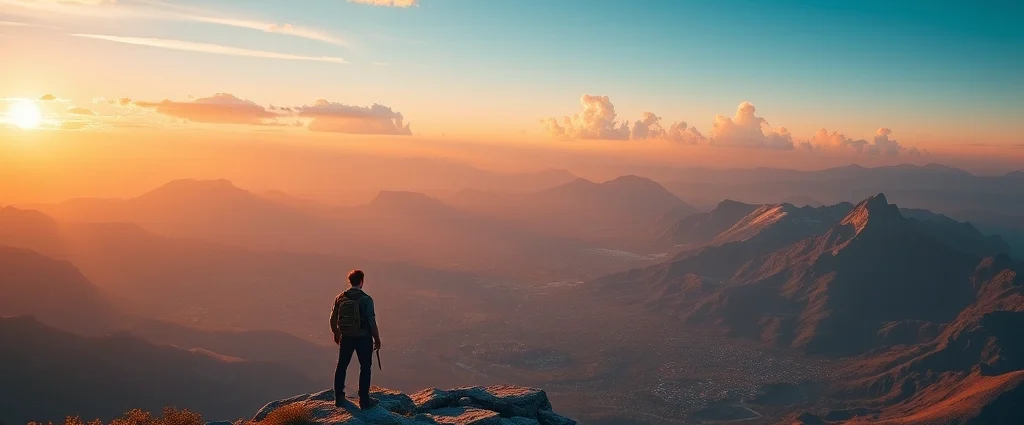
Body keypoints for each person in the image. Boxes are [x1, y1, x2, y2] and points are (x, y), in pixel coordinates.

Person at [330, 269, 382, 410]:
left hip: (346, 337)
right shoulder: (366, 299)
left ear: (350, 281)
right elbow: (371, 322)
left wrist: (336, 333)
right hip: (363, 338)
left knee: (341, 366)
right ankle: (364, 401)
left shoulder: (340, 297)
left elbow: (333, 318)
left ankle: (339, 398)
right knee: (365, 368)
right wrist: (377, 339)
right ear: (361, 282)